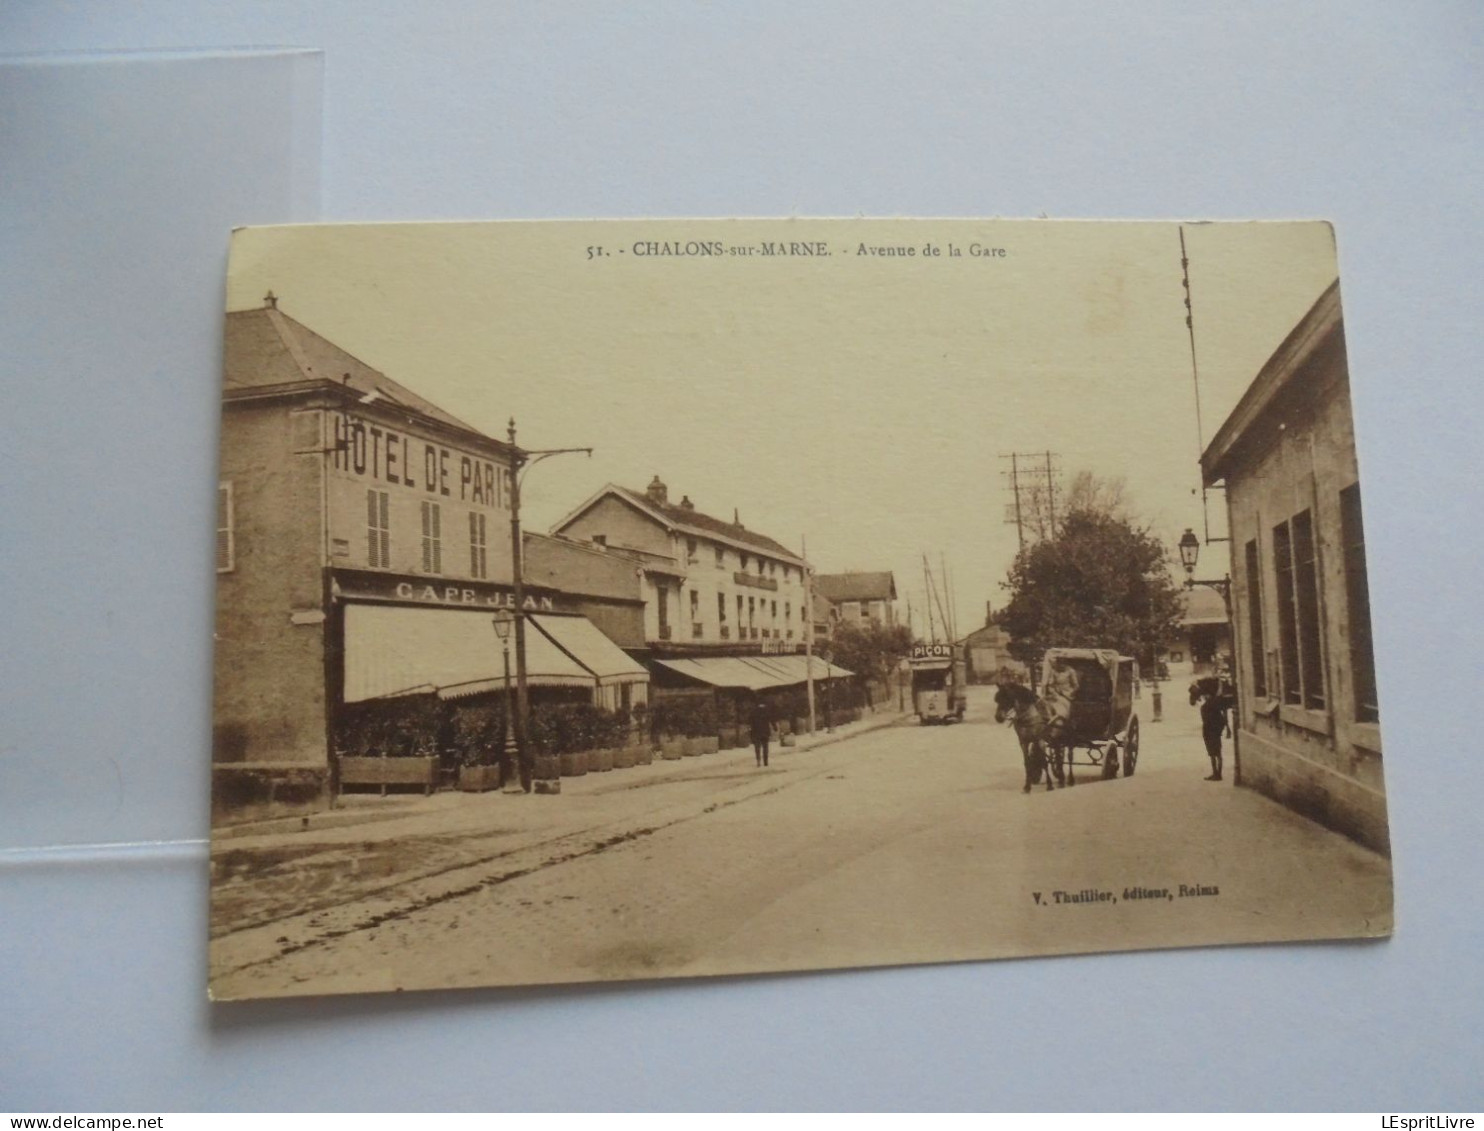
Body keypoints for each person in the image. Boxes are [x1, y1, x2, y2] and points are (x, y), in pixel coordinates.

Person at [1197, 678, 1233, 780]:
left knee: (1212, 754)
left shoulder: (1204, 707)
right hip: (1216, 731)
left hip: (1209, 732)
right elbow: (1222, 718)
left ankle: (1215, 773)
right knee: (1218, 753)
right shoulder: (1217, 703)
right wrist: (1226, 728)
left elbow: (1205, 721)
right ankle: (1219, 774)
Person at [1042, 655, 1079, 738]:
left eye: (1062, 663)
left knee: (1064, 708)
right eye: (1059, 663)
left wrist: (1069, 693)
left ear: (1065, 664)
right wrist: (1054, 693)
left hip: (1067, 695)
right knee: (1043, 703)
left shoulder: (1070, 671)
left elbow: (1076, 686)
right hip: (1055, 695)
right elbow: (1050, 685)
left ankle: (1060, 718)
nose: (1061, 665)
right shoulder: (1054, 671)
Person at [749, 696, 774, 768]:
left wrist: (751, 730)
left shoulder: (753, 711)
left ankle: (758, 761)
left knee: (757, 747)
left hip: (756, 731)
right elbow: (771, 719)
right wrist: (774, 727)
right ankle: (765, 762)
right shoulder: (767, 710)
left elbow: (750, 721)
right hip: (765, 731)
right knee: (765, 747)